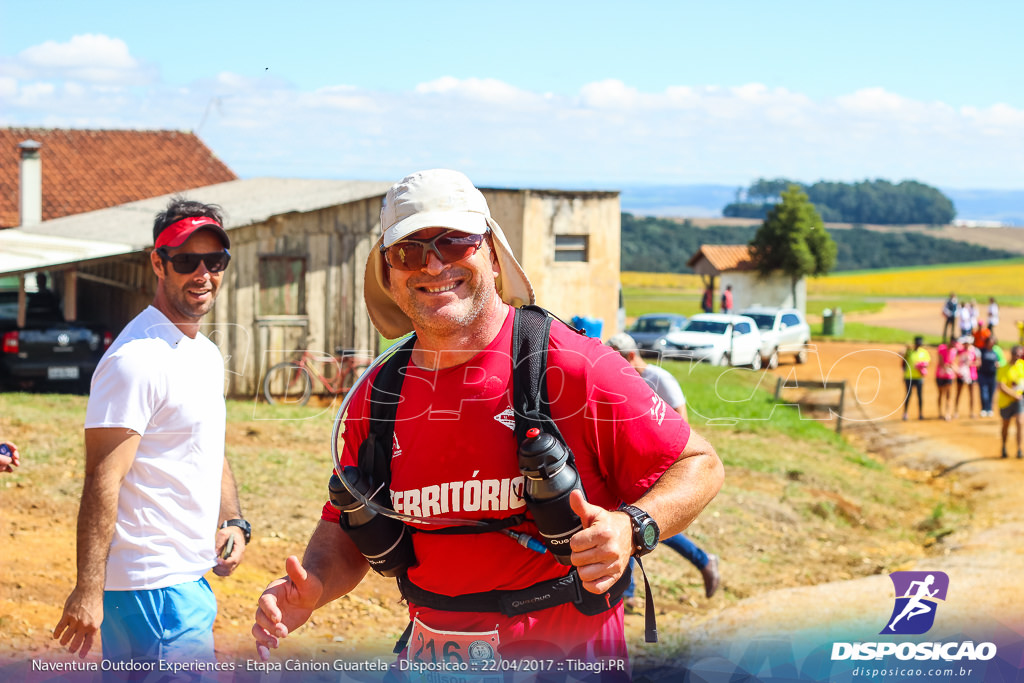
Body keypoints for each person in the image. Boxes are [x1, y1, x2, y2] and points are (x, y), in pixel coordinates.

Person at [251, 170, 724, 668]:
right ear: (390, 274)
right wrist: (312, 586)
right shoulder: (377, 394)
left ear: (493, 256)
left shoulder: (569, 365)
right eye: (409, 252)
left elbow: (699, 464)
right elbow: (347, 525)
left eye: (454, 243)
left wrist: (632, 528)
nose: (433, 265)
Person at [53, 198, 250, 667]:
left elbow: (209, 446)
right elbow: (103, 478)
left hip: (183, 581)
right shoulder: (136, 360)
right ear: (158, 263)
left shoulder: (202, 352)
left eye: (215, 261)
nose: (203, 274)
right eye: (186, 261)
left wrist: (233, 520)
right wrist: (87, 589)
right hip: (151, 590)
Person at [605, 333, 721, 609]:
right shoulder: (624, 380)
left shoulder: (660, 379)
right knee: (631, 519)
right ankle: (630, 591)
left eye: (617, 360)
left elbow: (682, 424)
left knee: (643, 521)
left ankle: (702, 560)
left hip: (660, 464)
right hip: (631, 463)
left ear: (631, 356)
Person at [996, 345, 1024, 459]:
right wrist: (1014, 395)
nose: (1018, 357)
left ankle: (1019, 449)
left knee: (1020, 422)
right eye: (1016, 354)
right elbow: (1001, 386)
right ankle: (1004, 446)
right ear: (1011, 354)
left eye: (1020, 355)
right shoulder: (1003, 368)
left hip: (1019, 401)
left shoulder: (1022, 366)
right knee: (1005, 425)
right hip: (1006, 402)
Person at [901, 336, 930, 421]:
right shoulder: (909, 352)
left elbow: (927, 363)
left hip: (919, 377)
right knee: (908, 395)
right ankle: (905, 413)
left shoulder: (924, 352)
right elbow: (901, 354)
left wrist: (922, 366)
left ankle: (920, 414)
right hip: (909, 377)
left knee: (919, 396)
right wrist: (905, 348)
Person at [978, 337, 1003, 418]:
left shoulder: (996, 351)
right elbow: (978, 360)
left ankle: (989, 409)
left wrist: (999, 363)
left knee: (991, 393)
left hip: (992, 375)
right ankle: (984, 409)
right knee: (983, 392)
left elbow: (1003, 361)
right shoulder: (982, 351)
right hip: (983, 375)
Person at [935, 336, 959, 421]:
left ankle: (947, 413)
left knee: (948, 395)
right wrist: (950, 366)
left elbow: (952, 362)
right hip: (940, 375)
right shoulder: (941, 348)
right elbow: (941, 363)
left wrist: (955, 368)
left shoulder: (954, 351)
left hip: (949, 375)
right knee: (941, 394)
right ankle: (940, 412)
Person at [954, 338, 979, 419]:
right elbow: (953, 359)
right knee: (958, 393)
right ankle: (956, 411)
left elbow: (978, 362)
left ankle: (972, 412)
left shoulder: (975, 351)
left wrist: (971, 363)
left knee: (972, 394)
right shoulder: (959, 350)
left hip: (972, 375)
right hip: (961, 375)